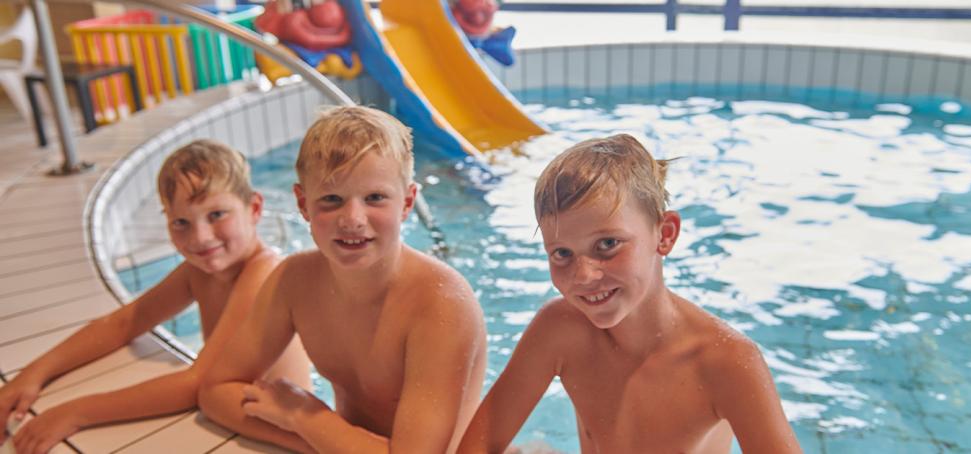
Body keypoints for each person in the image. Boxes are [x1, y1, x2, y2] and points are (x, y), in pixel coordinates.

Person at [457, 134, 801, 454]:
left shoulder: (725, 362)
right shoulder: (560, 329)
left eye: (607, 245)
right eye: (562, 253)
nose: (584, 275)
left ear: (664, 235)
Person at [198, 106, 487, 454]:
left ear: (407, 202)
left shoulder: (441, 302)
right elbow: (216, 390)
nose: (352, 219)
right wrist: (312, 437)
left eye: (375, 198)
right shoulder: (294, 280)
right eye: (331, 199)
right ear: (303, 204)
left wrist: (307, 417)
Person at [0, 140, 310, 454]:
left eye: (216, 214)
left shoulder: (265, 275)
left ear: (254, 208)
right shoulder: (198, 272)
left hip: (287, 435)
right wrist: (32, 376)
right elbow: (123, 323)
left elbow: (197, 384)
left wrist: (76, 412)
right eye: (181, 223)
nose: (200, 237)